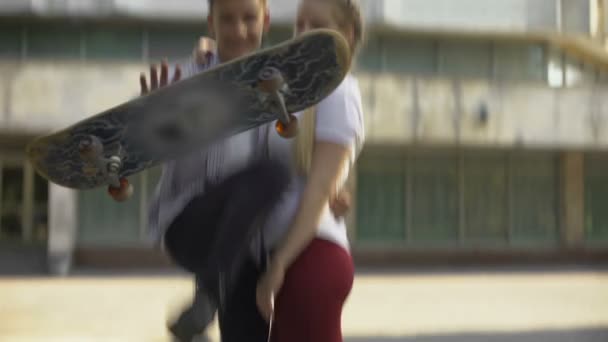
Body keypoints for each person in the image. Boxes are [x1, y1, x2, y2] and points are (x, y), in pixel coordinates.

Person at [140, 1, 353, 341]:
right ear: (211, 24)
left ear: (266, 21)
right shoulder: (186, 79)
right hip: (191, 226)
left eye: (248, 19)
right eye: (227, 20)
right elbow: (152, 151)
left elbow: (305, 155)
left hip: (245, 250)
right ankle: (209, 294)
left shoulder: (277, 83)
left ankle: (204, 306)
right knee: (272, 174)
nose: (239, 30)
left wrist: (332, 188)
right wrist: (155, 119)